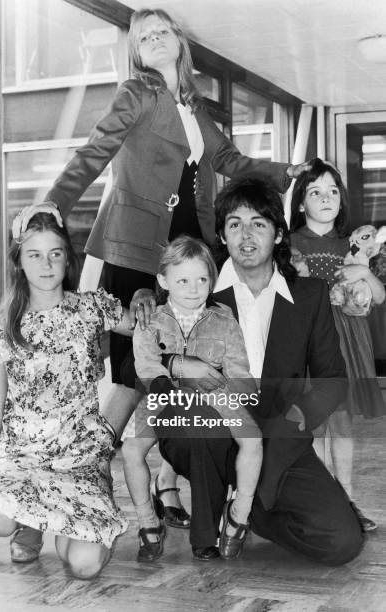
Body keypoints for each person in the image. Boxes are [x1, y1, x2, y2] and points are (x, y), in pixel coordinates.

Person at [16, 7, 310, 546]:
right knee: (132, 376)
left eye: (161, 30)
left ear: (179, 41)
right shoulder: (138, 93)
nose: (152, 38)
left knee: (178, 364)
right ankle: (71, 484)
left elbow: (228, 158)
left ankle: (160, 486)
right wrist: (54, 203)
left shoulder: (194, 107)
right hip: (134, 251)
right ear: (136, 51)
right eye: (142, 35)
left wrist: (280, 172)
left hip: (186, 255)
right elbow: (96, 149)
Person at [134, 177, 364, 565]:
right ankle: (220, 513)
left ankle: (250, 511)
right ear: (222, 235)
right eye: (234, 224)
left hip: (279, 432)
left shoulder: (310, 297)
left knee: (341, 542)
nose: (246, 234)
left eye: (259, 223)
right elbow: (136, 359)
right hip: (207, 428)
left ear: (277, 234)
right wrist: (177, 362)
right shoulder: (198, 287)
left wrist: (297, 416)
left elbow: (332, 380)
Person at [0, 209, 133, 580]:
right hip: (24, 460)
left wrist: (148, 296)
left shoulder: (92, 308)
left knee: (84, 567)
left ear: (68, 258)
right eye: (34, 254)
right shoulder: (1, 329)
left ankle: (66, 518)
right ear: (19, 261)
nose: (46, 264)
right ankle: (31, 525)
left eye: (55, 253)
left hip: (78, 460)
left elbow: (153, 326)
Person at [129, 236, 261, 561]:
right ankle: (147, 519)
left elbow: (239, 368)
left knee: (253, 439)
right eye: (183, 280)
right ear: (164, 281)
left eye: (202, 279)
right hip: (165, 394)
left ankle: (239, 513)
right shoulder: (152, 320)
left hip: (216, 393)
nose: (193, 288)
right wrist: (162, 383)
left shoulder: (223, 318)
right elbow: (145, 360)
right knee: (132, 449)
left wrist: (234, 394)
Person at [290, 158, 386, 532]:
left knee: (341, 421)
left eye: (332, 191)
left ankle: (346, 500)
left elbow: (378, 297)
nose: (325, 198)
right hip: (312, 343)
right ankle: (320, 501)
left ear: (341, 199)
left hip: (347, 342)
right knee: (312, 422)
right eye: (315, 191)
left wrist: (363, 272)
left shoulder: (354, 245)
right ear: (301, 203)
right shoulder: (292, 242)